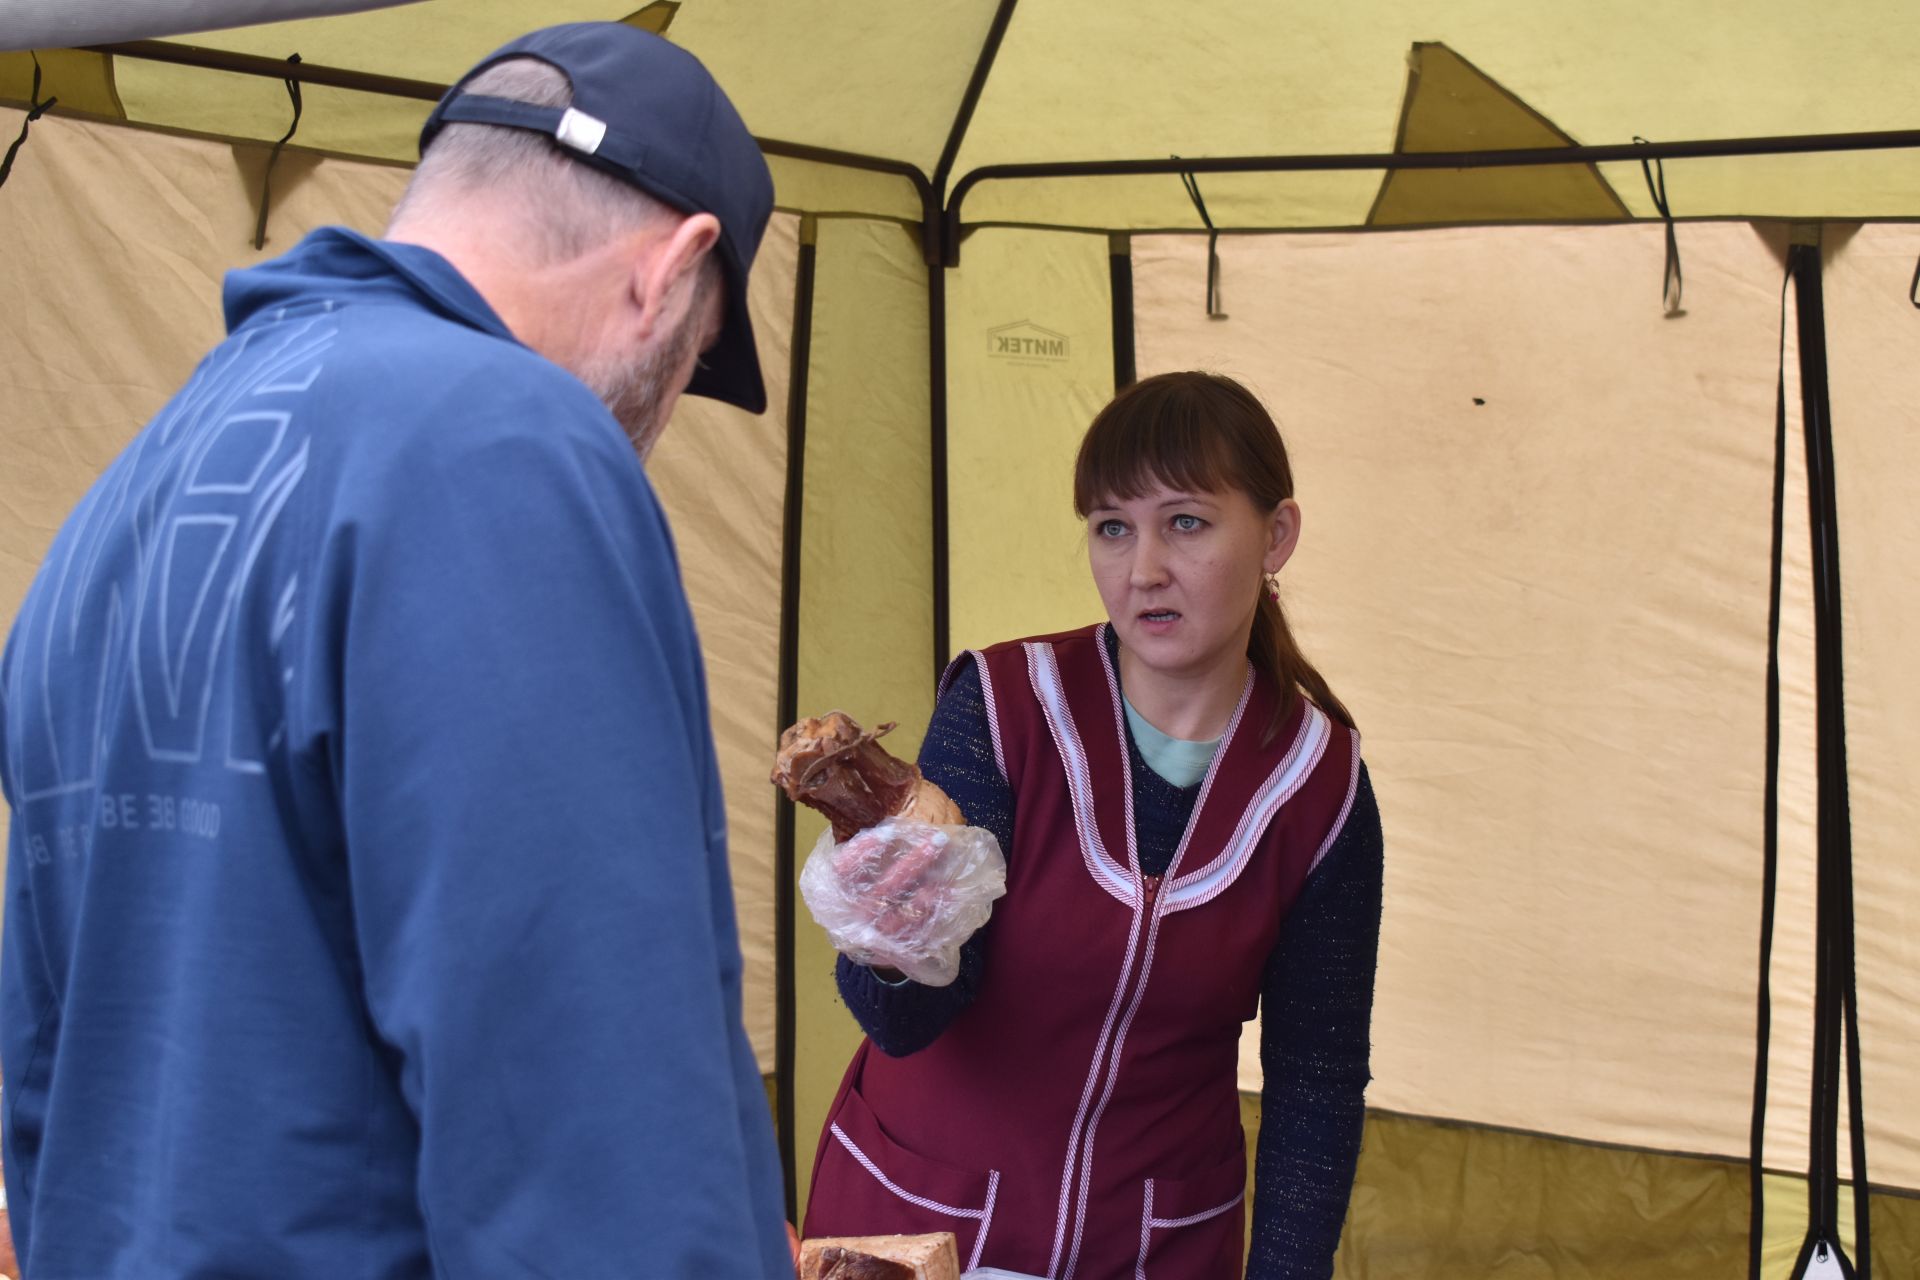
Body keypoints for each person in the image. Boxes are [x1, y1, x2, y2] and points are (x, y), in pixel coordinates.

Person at [0, 23, 793, 1279]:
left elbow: (47, 1085)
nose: (655, 425)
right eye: (690, 365)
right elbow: (594, 1117)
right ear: (672, 266)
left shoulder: (122, 498)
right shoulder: (503, 445)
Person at [802, 371, 1384, 1279]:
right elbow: (905, 1023)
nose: (1143, 567)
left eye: (1185, 522)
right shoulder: (1002, 709)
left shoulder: (1322, 788)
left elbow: (1317, 1077)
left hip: (1157, 1248)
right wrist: (890, 936)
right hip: (926, 1228)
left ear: (1276, 536)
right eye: (1113, 527)